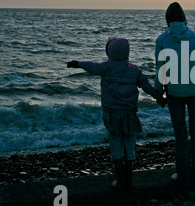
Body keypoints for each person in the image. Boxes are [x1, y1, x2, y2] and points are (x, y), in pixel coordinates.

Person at [67, 37, 163, 191]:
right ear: (127, 52)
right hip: (129, 115)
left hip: (112, 114)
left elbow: (92, 66)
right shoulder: (134, 70)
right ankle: (130, 181)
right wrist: (159, 95)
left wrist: (77, 63)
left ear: (109, 52)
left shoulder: (106, 67)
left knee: (116, 144)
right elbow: (147, 87)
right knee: (129, 145)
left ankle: (120, 181)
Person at [155, 2, 195, 187]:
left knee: (180, 135)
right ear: (183, 18)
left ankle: (182, 174)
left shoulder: (162, 40)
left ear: (168, 20)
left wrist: (158, 92)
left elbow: (160, 69)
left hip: (174, 92)